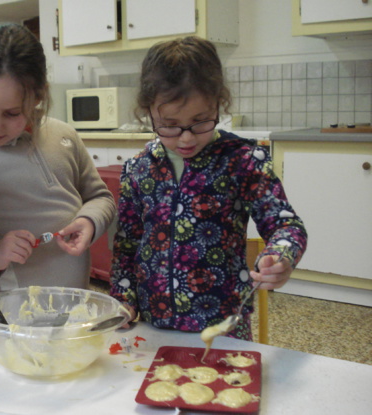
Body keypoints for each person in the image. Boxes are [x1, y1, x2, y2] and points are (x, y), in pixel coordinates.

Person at [110, 37, 307, 340]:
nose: (186, 138)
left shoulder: (243, 160)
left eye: (200, 121)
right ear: (148, 112)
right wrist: (124, 299)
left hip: (223, 322)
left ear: (218, 103)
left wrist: (280, 255)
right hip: (153, 322)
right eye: (170, 125)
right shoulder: (139, 168)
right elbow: (127, 244)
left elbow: (285, 223)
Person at [0, 23, 116, 292]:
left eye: (12, 113)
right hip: (14, 316)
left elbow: (101, 198)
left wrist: (89, 221)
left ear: (38, 95)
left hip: (77, 301)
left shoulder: (64, 135)